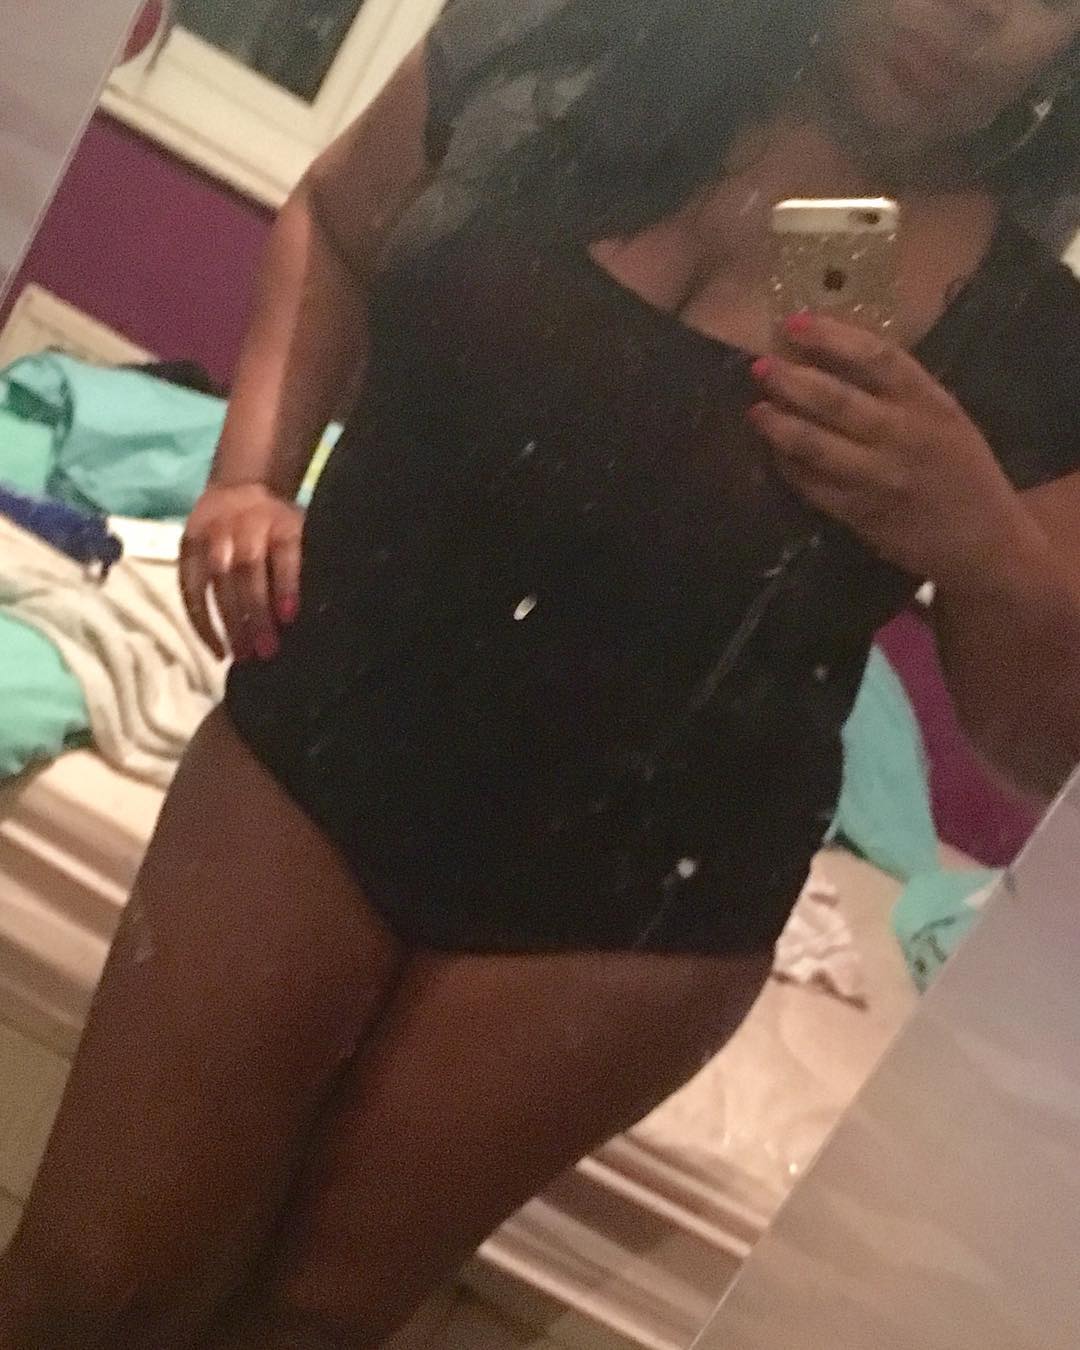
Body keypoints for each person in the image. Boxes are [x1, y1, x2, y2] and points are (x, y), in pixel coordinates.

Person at [3, 0, 1080, 1345]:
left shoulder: (1036, 340)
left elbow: (1039, 750)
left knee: (306, 1324)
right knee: (85, 1281)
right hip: (326, 735)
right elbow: (336, 222)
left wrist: (985, 543)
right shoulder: (545, 41)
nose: (975, 9)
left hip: (633, 905)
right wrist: (249, 478)